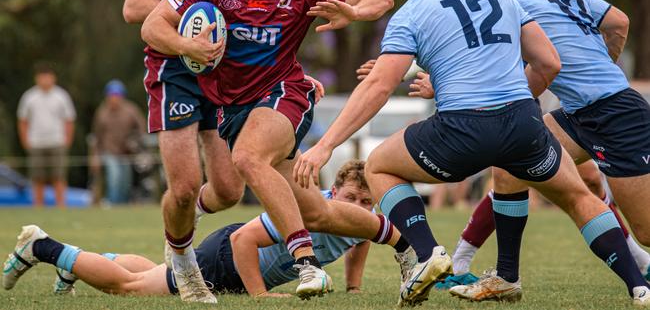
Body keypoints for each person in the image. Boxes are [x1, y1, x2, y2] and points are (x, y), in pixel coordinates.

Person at [294, 0, 650, 307]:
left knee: (379, 165)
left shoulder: (412, 11)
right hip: (522, 123)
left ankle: (429, 254)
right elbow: (548, 62)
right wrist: (509, 112)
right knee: (576, 194)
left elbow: (379, 86)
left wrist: (325, 146)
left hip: (464, 129)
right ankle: (637, 286)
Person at [141, 0, 394, 300]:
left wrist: (355, 12)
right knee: (315, 209)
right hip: (233, 108)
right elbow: (152, 25)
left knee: (246, 158)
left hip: (286, 93)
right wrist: (187, 46)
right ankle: (405, 244)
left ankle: (306, 263)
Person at [446, 0, 650, 287]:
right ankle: (506, 277)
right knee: (510, 163)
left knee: (646, 230)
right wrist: (602, 61)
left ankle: (640, 261)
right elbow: (618, 21)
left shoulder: (509, 0)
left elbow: (542, 67)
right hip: (577, 115)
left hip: (617, 115)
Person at [2, 160, 404, 300]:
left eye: (367, 204)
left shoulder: (359, 223)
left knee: (146, 273)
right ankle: (45, 248)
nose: (358, 209)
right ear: (333, 191)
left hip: (227, 262)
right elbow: (243, 239)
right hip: (225, 260)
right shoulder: (313, 205)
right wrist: (259, 297)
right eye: (351, 197)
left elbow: (360, 242)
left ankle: (77, 265)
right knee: (128, 288)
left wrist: (354, 288)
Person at [122, 0, 248, 303]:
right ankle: (184, 264)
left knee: (229, 190)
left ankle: (182, 222)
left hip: (222, 72)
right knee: (184, 185)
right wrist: (190, 21)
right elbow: (134, 5)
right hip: (174, 69)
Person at [17, 63, 76, 207]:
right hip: (36, 143)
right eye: (42, 77)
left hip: (57, 142)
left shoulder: (61, 96)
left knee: (59, 176)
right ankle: (38, 206)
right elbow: (23, 121)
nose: (45, 80)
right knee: (38, 178)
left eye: (47, 77)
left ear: (53, 78)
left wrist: (67, 141)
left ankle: (61, 205)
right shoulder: (29, 97)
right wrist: (26, 141)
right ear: (37, 79)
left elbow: (69, 120)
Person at [90, 80, 146, 204]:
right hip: (109, 151)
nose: (114, 99)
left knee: (125, 183)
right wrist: (95, 156)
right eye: (112, 96)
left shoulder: (131, 110)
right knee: (114, 179)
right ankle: (113, 204)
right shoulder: (102, 113)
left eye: (117, 96)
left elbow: (142, 129)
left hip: (127, 152)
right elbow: (96, 136)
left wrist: (134, 141)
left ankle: (122, 206)